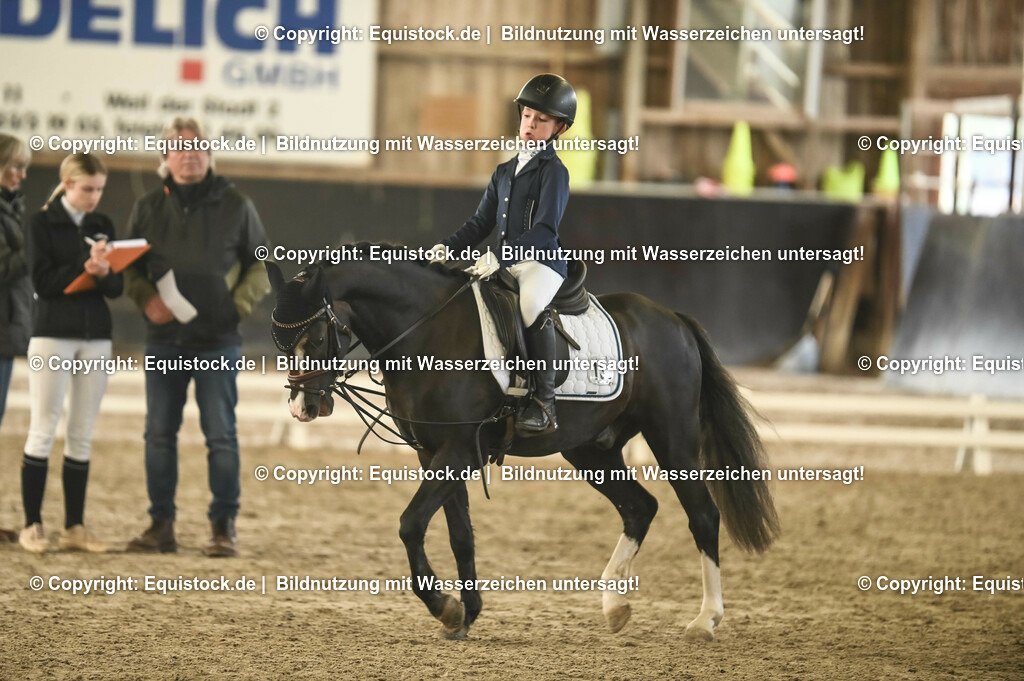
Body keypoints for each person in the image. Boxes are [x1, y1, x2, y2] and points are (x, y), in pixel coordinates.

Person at [124, 117, 270, 557]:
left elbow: (261, 264)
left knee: (221, 435)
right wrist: (145, 296)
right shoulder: (147, 207)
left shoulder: (237, 204)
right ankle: (160, 526)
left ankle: (223, 528)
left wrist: (236, 306)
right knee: (158, 434)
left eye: (199, 147)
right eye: (181, 148)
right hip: (163, 340)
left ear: (210, 155)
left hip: (218, 340)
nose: (190, 154)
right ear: (164, 158)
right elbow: (129, 264)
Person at [431, 74, 576, 436]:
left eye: (541, 120)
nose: (530, 124)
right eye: (527, 116)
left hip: (541, 262)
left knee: (529, 307)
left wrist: (504, 255)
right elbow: (481, 222)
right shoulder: (504, 172)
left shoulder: (554, 172)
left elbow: (545, 230)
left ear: (558, 127)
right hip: (505, 259)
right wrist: (447, 248)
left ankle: (545, 402)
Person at [19, 153, 121, 553]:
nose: (94, 197)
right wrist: (86, 267)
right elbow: (43, 283)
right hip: (52, 335)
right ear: (67, 182)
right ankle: (32, 524)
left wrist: (105, 273)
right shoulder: (41, 223)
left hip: (96, 335)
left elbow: (116, 289)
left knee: (81, 431)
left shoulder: (103, 226)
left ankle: (74, 526)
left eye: (99, 190)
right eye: (86, 189)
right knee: (43, 427)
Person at [0, 134, 33, 542]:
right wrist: (36, 249)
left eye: (23, 166)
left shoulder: (12, 206)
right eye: (11, 164)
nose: (19, 173)